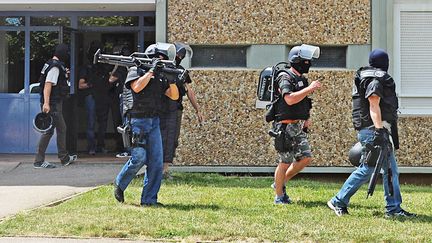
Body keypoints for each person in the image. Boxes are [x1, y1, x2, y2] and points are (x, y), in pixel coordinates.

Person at [327, 49, 416, 218]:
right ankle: (338, 200)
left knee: (390, 171)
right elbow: (373, 104)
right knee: (367, 169)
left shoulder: (369, 75)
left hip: (375, 129)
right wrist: (379, 130)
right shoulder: (375, 79)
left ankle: (393, 208)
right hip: (373, 130)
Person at [113, 45, 179, 206]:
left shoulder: (161, 75)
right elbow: (136, 87)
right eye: (160, 58)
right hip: (137, 121)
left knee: (156, 162)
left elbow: (174, 96)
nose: (162, 62)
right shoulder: (137, 69)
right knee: (139, 158)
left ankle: (149, 200)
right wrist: (151, 72)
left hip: (154, 121)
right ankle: (119, 184)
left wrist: (171, 80)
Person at [271, 44, 322, 204]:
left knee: (305, 158)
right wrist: (310, 88)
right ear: (297, 61)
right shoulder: (284, 77)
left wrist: (307, 118)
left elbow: (304, 102)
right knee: (285, 161)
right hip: (285, 127)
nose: (309, 64)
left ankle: (279, 184)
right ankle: (279, 197)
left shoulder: (302, 79)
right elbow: (290, 99)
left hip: (298, 126)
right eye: (306, 61)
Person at [159, 42, 203, 179]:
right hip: (161, 110)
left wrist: (198, 110)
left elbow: (189, 91)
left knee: (173, 139)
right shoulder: (161, 68)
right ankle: (155, 169)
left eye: (182, 55)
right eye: (178, 54)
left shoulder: (181, 71)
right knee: (160, 139)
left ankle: (165, 170)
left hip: (176, 109)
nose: (179, 57)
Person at [34, 43, 77, 168]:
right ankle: (41, 160)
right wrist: (46, 103)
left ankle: (63, 157)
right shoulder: (55, 67)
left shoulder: (52, 64)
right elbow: (48, 84)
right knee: (51, 131)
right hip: (52, 104)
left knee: (58, 129)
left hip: (53, 103)